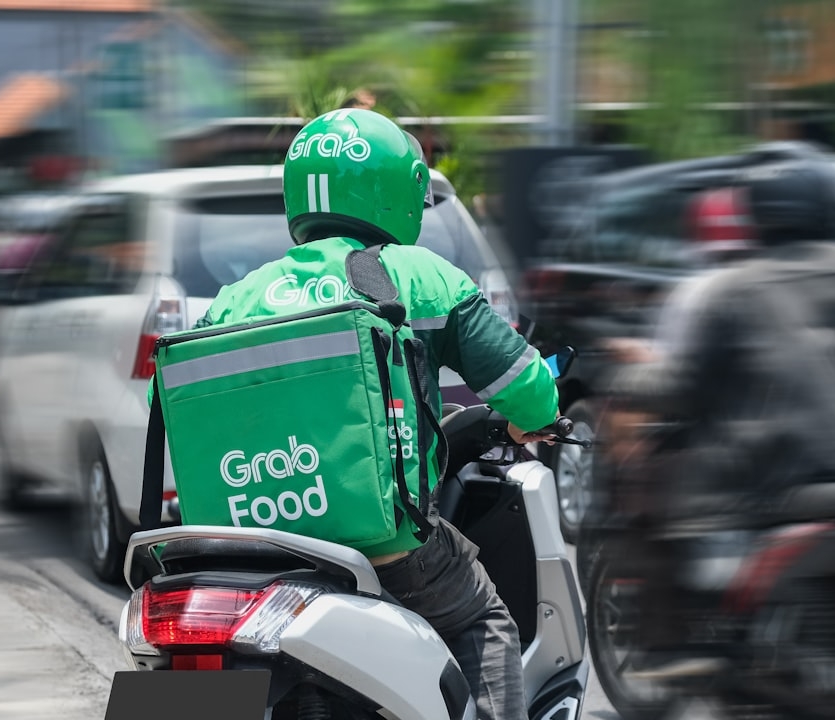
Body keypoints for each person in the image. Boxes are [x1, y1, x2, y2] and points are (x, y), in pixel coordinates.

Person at [186, 109, 561, 720]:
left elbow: (171, 405)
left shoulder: (237, 296)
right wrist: (541, 406)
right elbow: (526, 388)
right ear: (398, 187)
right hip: (384, 546)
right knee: (485, 620)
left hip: (242, 552)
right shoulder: (420, 277)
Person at [605, 161, 835, 675]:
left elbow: (687, 384)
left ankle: (672, 645)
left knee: (653, 476)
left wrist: (629, 384)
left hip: (786, 471)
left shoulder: (736, 287)